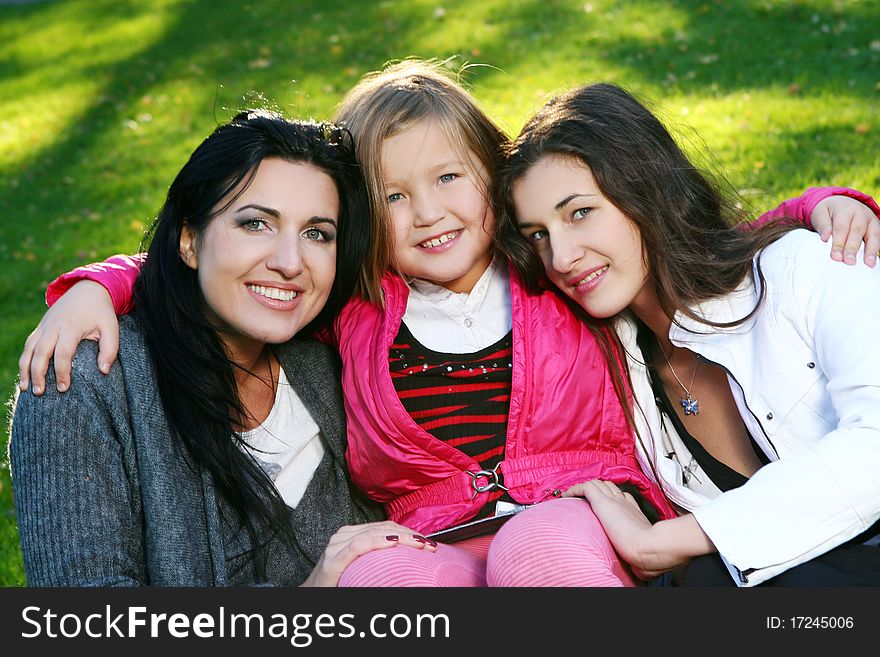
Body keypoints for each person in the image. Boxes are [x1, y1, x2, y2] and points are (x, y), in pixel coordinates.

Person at [16, 62, 878, 587]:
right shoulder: (353, 308)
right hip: (433, 534)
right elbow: (238, 270)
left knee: (537, 554)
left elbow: (676, 235)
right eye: (392, 196)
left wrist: (819, 206)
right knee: (379, 577)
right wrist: (100, 283)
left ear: (493, 181)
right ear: (364, 221)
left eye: (449, 179)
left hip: (570, 510)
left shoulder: (547, 270)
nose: (427, 213)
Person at [10, 109, 438, 587]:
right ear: (189, 240)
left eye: (317, 234)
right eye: (256, 224)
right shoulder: (83, 384)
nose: (290, 263)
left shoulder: (340, 360)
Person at [496, 82, 880, 586]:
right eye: (539, 236)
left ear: (646, 190)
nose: (561, 258)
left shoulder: (811, 266)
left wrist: (667, 541)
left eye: (580, 213)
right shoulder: (620, 376)